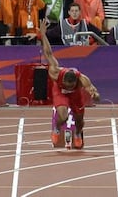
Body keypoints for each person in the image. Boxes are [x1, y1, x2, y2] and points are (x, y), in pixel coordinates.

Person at [39, 18, 100, 149]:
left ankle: (78, 133)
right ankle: (56, 128)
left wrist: (95, 95)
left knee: (79, 119)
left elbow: (92, 90)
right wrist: (43, 35)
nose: (68, 87)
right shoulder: (55, 72)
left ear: (75, 82)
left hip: (76, 95)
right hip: (59, 92)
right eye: (67, 85)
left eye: (70, 86)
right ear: (63, 80)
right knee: (63, 115)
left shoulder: (82, 79)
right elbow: (48, 53)